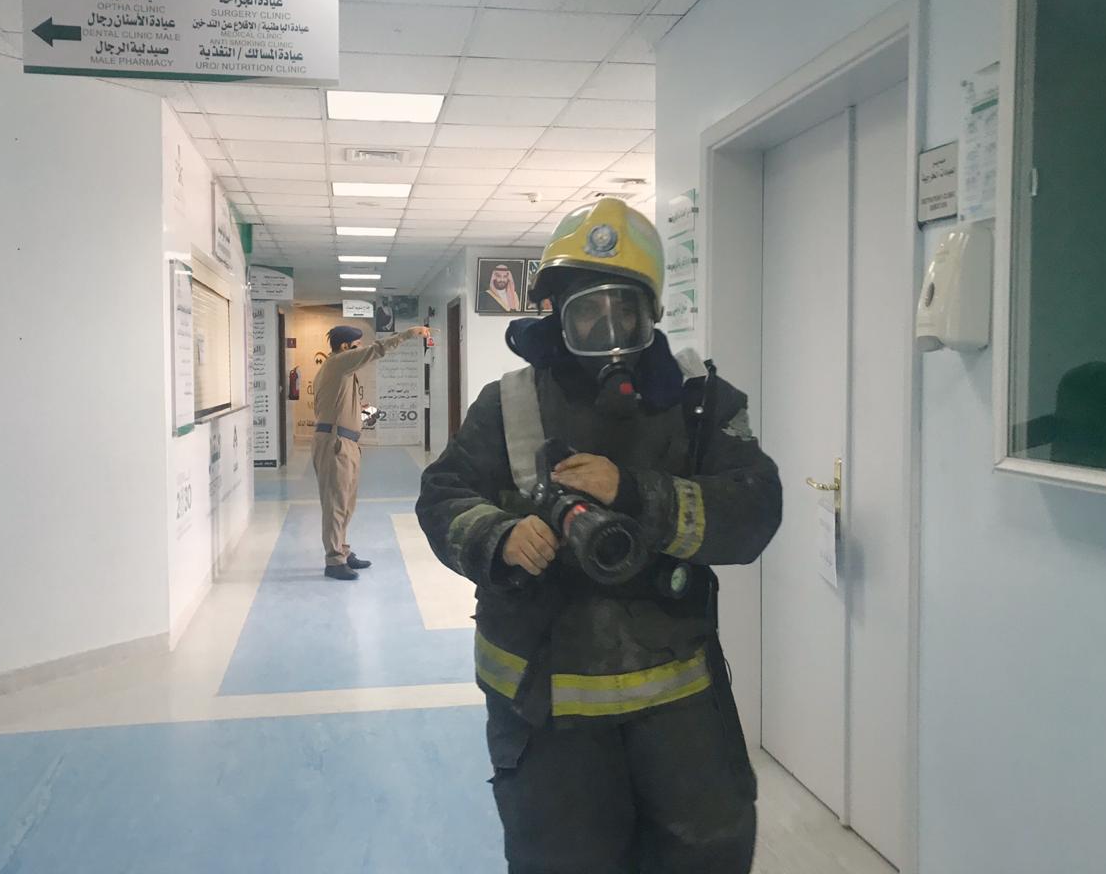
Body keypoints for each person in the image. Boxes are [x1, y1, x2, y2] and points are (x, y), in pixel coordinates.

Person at [417, 198, 782, 873]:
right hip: (545, 709)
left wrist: (637, 494)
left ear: (653, 314)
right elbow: (442, 496)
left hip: (680, 708)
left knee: (708, 850)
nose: (607, 329)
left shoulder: (700, 404)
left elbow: (754, 512)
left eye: (624, 310)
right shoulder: (509, 404)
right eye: (587, 311)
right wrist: (499, 537)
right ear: (556, 313)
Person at [313, 323, 429, 580]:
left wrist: (360, 410)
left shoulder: (340, 371)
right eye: (357, 345)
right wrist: (410, 334)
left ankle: (342, 550)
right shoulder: (339, 362)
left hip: (347, 442)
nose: (361, 349)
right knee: (336, 504)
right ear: (345, 346)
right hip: (335, 443)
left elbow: (334, 406)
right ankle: (334, 561)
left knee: (346, 503)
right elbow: (377, 350)